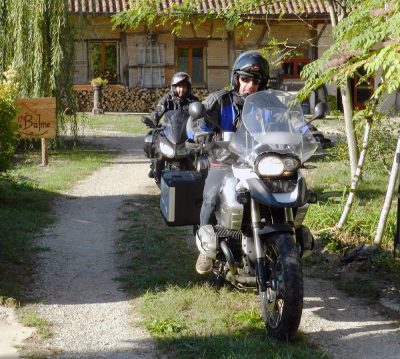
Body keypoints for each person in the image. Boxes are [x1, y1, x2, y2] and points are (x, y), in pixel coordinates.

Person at [191, 50, 270, 274]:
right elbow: (197, 120)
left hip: (257, 162)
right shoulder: (220, 100)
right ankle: (206, 250)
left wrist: (308, 132)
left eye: (256, 81)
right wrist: (201, 132)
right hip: (223, 161)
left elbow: (289, 121)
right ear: (236, 79)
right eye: (245, 79)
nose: (250, 86)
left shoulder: (267, 104)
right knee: (210, 196)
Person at [148, 72, 199, 178]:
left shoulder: (193, 101)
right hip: (170, 132)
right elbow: (159, 110)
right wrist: (154, 119)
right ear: (174, 87)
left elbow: (200, 114)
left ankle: (197, 176)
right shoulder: (167, 99)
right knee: (155, 144)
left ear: (188, 88)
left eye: (184, 86)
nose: (182, 89)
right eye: (179, 86)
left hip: (187, 133)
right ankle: (154, 167)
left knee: (196, 153)